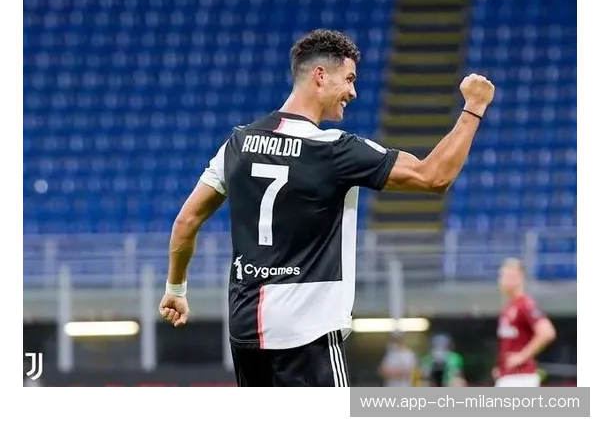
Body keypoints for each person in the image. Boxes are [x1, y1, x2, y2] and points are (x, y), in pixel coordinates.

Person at [158, 28, 495, 387]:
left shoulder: (237, 144)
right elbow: (434, 176)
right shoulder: (333, 149)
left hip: (247, 331)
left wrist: (176, 289)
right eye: (349, 79)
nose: (353, 91)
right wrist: (473, 108)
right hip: (307, 332)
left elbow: (186, 220)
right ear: (320, 76)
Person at [493, 257, 557, 387]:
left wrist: (522, 356)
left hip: (521, 377)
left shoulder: (525, 304)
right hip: (508, 376)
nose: (502, 281)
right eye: (502, 276)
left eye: (508, 276)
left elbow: (547, 332)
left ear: (519, 278)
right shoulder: (508, 307)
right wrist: (501, 366)